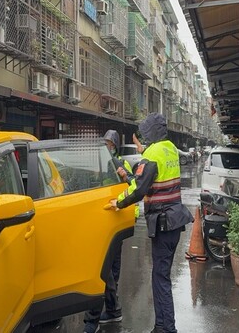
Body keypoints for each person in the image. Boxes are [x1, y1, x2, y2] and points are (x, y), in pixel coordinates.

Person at [109, 113, 194, 333]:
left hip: (164, 223)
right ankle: (161, 325)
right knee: (161, 275)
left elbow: (139, 189)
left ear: (148, 134)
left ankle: (167, 328)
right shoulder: (170, 149)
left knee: (160, 278)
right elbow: (148, 181)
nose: (139, 143)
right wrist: (128, 176)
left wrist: (118, 202)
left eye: (141, 138)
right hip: (174, 220)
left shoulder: (152, 153)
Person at [83, 130, 140, 333]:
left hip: (116, 223)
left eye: (109, 144)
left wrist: (125, 177)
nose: (107, 147)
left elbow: (136, 186)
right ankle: (113, 310)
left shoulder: (120, 165)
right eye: (105, 143)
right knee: (108, 272)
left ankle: (94, 319)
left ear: (114, 146)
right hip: (102, 222)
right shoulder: (97, 164)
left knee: (106, 272)